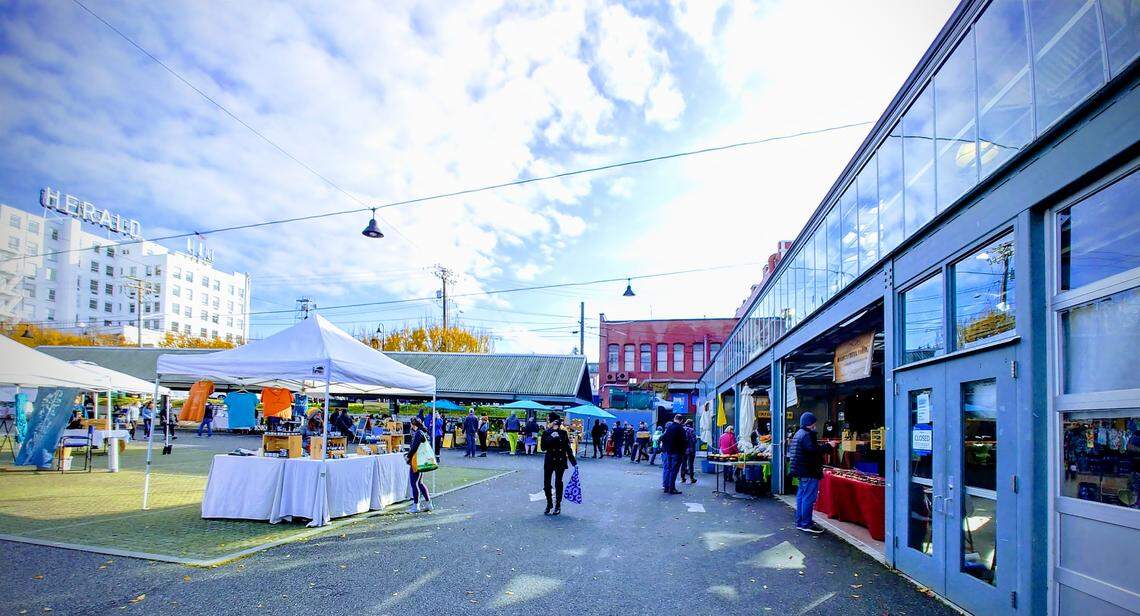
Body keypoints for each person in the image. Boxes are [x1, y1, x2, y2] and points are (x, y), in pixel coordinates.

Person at [788, 412, 829, 534]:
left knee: (801, 497)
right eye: (814, 423)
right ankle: (806, 523)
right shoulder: (807, 435)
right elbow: (813, 450)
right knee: (808, 498)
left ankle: (800, 522)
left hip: (801, 471)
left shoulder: (798, 434)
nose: (815, 425)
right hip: (809, 471)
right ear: (809, 423)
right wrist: (827, 446)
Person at [540, 413, 577, 515]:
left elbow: (567, 448)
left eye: (552, 421)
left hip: (560, 458)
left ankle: (558, 505)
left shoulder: (563, 433)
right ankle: (549, 503)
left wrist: (574, 462)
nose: (552, 423)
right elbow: (543, 447)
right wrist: (551, 437)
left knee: (558, 482)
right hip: (549, 458)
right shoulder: (546, 433)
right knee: (546, 483)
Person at [405, 417, 433, 513]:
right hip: (421, 460)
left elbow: (414, 447)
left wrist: (408, 456)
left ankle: (416, 505)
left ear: (413, 424)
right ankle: (429, 504)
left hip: (416, 461)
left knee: (414, 483)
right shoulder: (422, 432)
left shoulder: (418, 433)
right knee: (420, 483)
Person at [660, 414, 686, 494]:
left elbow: (662, 438)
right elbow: (684, 442)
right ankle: (672, 488)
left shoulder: (669, 427)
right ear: (681, 420)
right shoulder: (681, 429)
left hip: (668, 452)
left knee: (668, 469)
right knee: (674, 471)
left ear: (674, 419)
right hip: (677, 452)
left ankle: (666, 487)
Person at [680, 418, 698, 484]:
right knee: (690, 464)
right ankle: (691, 478)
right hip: (690, 450)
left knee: (683, 464)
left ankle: (682, 478)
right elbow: (694, 440)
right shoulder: (691, 430)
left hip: (683, 449)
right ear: (691, 424)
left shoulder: (682, 429)